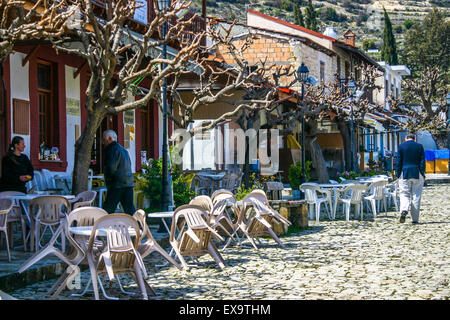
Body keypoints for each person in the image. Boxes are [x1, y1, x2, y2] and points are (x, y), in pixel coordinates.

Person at [102, 130, 136, 215]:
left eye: (104, 139)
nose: (103, 142)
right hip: (128, 183)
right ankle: (137, 226)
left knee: (107, 210)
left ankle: (102, 226)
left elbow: (111, 167)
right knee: (130, 210)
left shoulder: (111, 149)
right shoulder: (123, 150)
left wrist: (108, 180)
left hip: (117, 184)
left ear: (109, 139)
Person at [395, 133, 425, 224]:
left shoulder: (401, 147)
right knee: (416, 195)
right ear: (414, 139)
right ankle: (415, 219)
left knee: (404, 193)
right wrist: (422, 173)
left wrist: (397, 173)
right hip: (417, 172)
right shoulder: (419, 146)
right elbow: (422, 161)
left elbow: (398, 161)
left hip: (405, 172)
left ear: (406, 138)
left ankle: (404, 209)